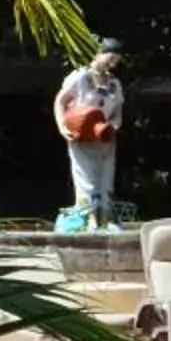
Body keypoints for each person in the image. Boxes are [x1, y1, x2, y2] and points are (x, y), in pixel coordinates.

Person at [54, 40, 128, 223]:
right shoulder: (79, 77)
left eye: (117, 60)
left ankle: (106, 220)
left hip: (105, 137)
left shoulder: (114, 83)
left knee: (106, 178)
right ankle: (90, 220)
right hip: (82, 135)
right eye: (111, 58)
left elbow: (117, 111)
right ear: (100, 53)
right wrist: (62, 125)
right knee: (85, 178)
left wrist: (114, 126)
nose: (113, 63)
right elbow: (60, 101)